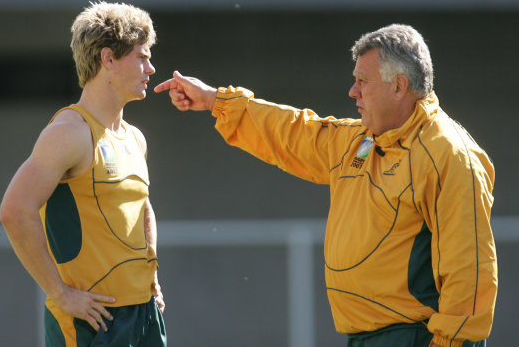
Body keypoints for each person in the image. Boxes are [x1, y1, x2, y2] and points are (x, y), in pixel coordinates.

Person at [154, 24, 497, 347]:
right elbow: (296, 132)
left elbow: (471, 274)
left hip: (413, 337)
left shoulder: (449, 155)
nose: (353, 91)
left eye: (363, 81)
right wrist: (215, 100)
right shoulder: (363, 139)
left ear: (399, 86)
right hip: (363, 337)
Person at [0, 1, 166, 347]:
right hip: (93, 322)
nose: (150, 68)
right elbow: (15, 211)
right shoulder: (70, 131)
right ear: (108, 59)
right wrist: (60, 293)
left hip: (145, 313)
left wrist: (150, 276)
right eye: (141, 56)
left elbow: (142, 207)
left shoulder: (135, 137)